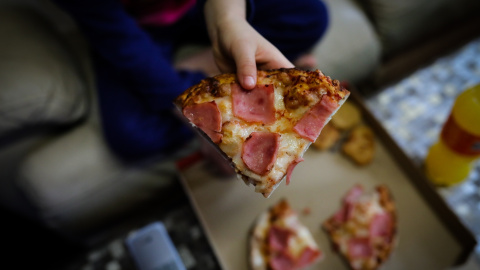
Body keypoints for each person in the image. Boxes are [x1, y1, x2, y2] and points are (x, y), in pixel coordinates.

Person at [52, 0, 329, 162]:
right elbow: (119, 40)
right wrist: (193, 112)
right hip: (135, 29)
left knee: (312, 15)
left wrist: (229, 22)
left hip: (202, 7)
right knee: (131, 137)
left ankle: (207, 64)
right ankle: (200, 75)